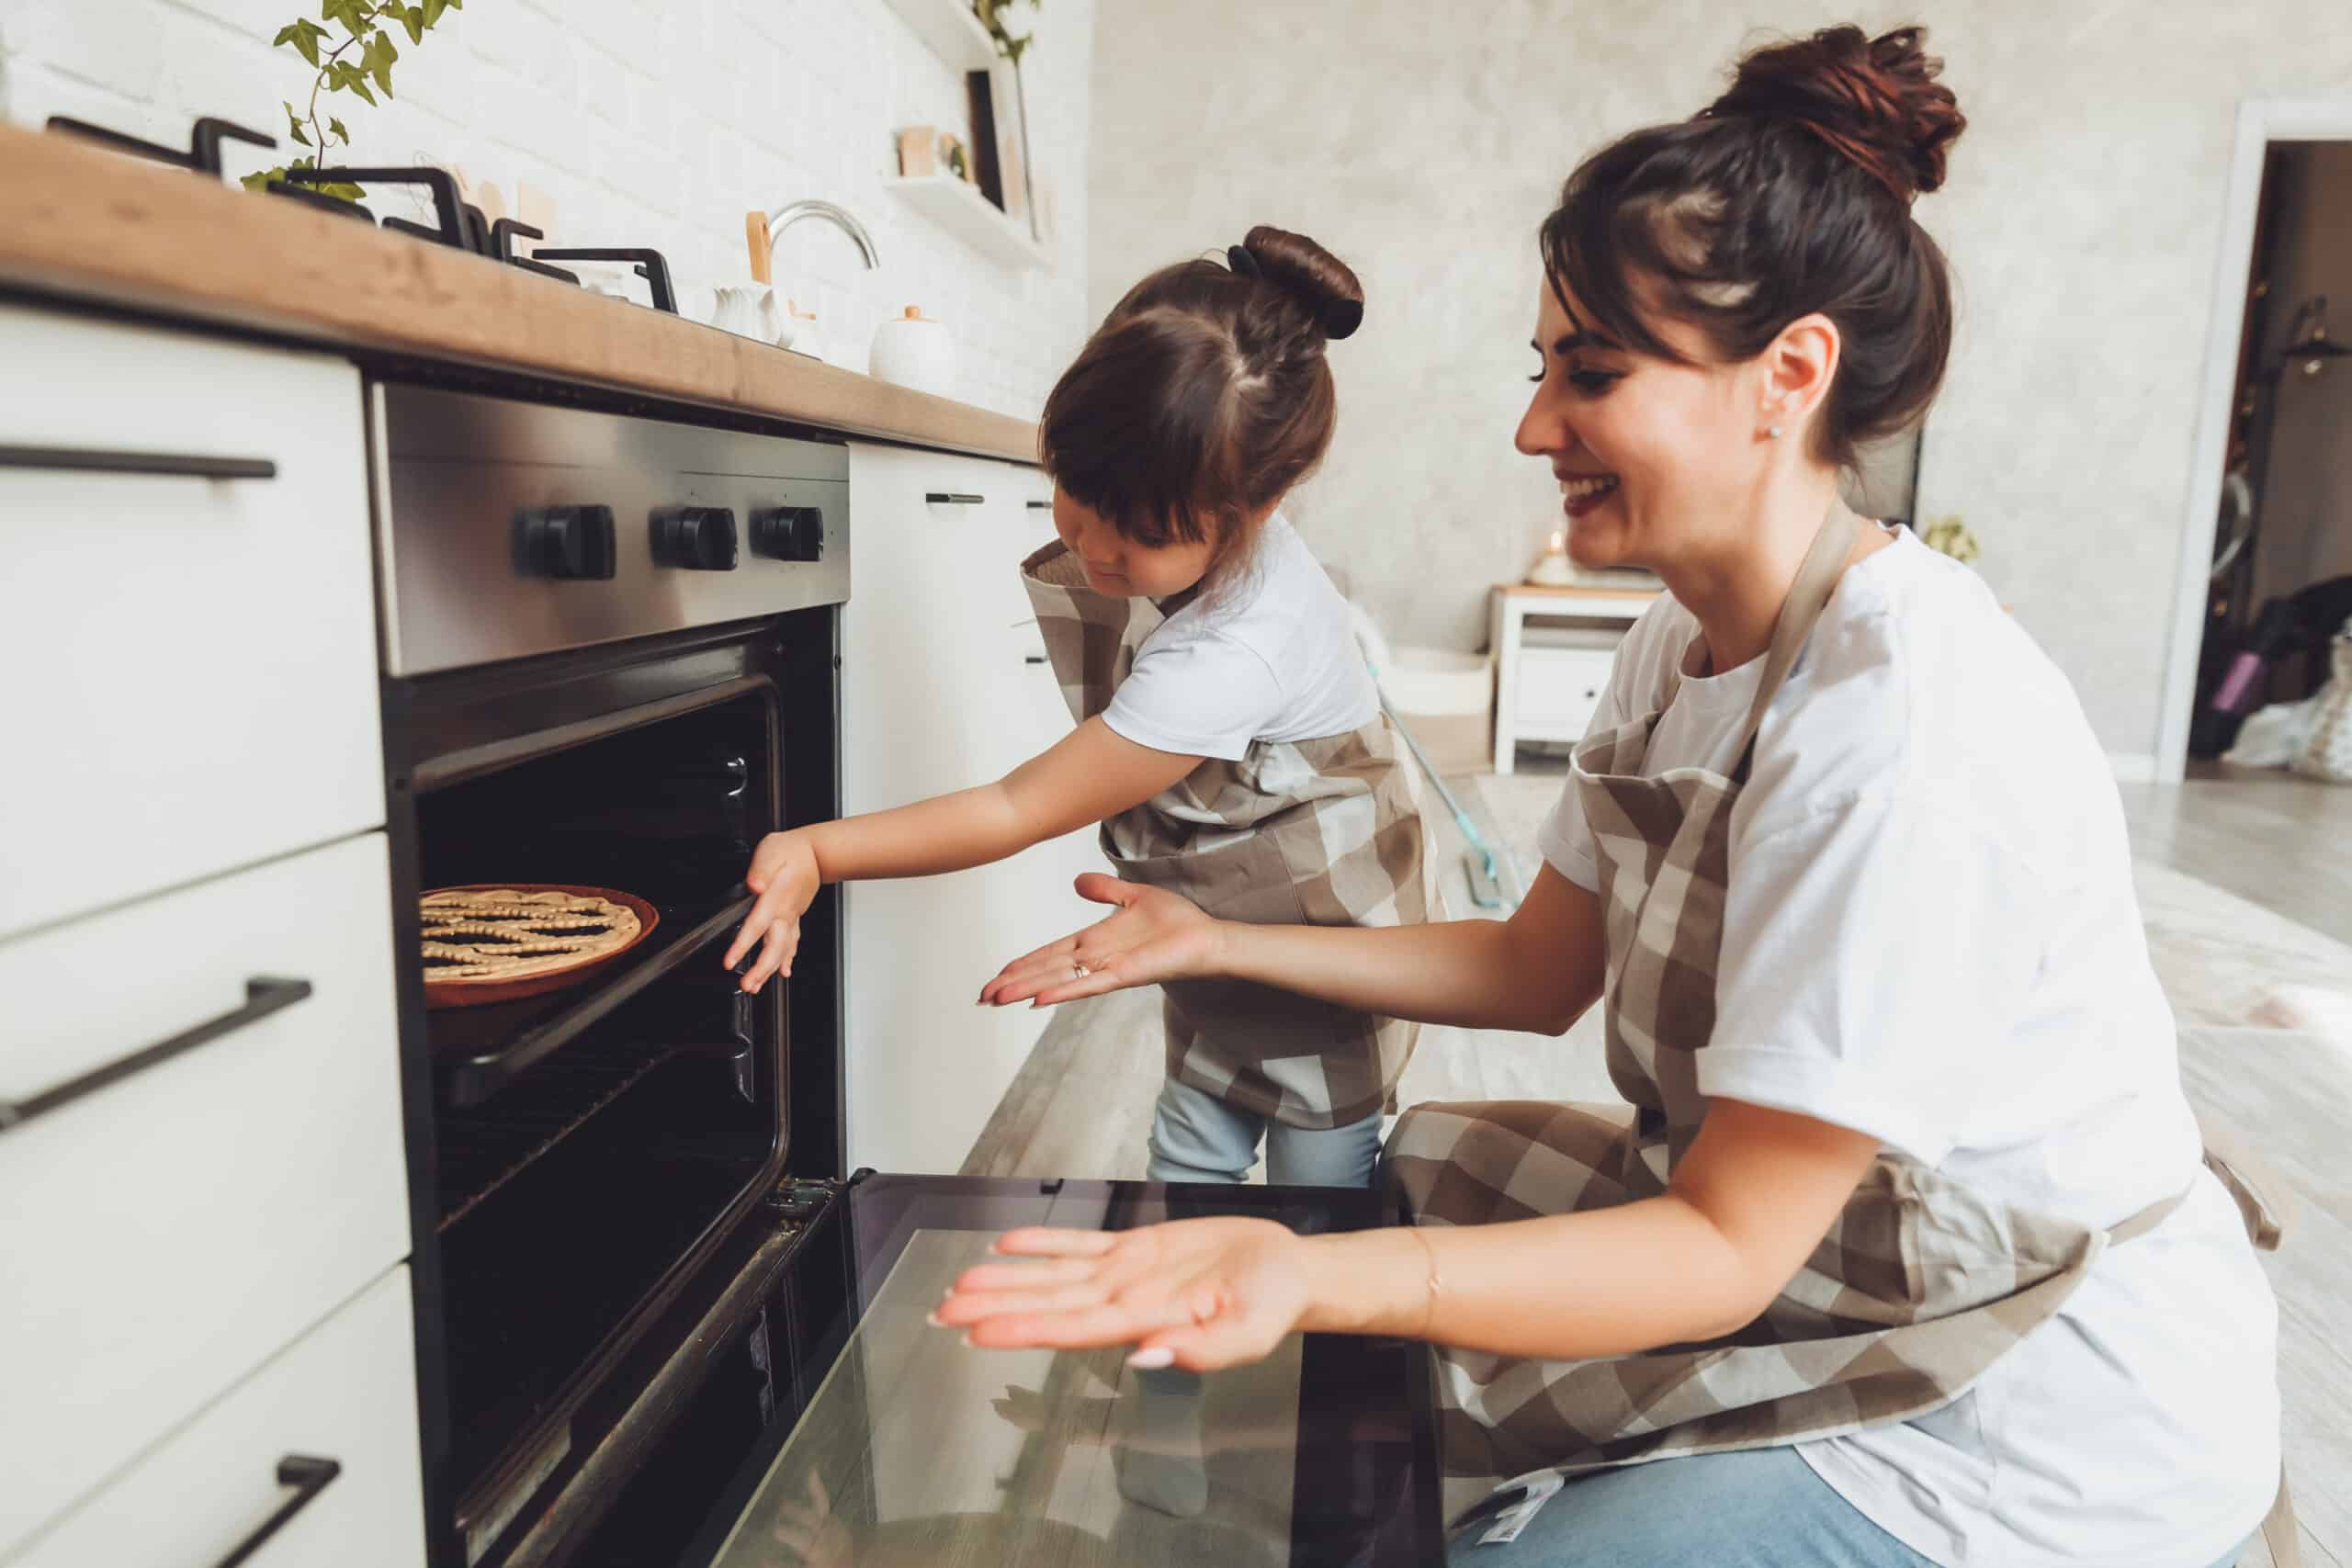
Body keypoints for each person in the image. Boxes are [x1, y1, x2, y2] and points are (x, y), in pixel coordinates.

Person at [943, 25, 2282, 1568]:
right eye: (1543, 369)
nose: (1532, 427)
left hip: (2016, 1400)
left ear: (1789, 376)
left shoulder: (1907, 727)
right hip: (1837, 1255)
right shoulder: (1683, 639)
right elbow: (1534, 968)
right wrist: (1209, 940)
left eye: (1592, 372)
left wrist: (1308, 1281)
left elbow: (1719, 1249)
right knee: (1407, 1219)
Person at [725, 226, 1431, 1190]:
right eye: (1073, 500)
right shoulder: (1209, 509)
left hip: (1324, 938)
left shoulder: (1229, 656)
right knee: (1193, 1133)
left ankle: (1328, 1322)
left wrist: (819, 848)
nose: (1095, 552)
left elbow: (1017, 807)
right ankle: (1182, 1313)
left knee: (1323, 1174)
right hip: (1223, 912)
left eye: (1137, 535)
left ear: (1255, 510)